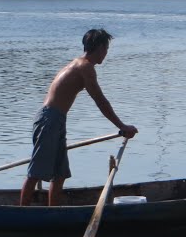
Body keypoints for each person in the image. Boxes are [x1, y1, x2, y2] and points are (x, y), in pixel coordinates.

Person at [20, 29, 138, 207]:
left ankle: (54, 213)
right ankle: (23, 213)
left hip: (56, 120)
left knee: (59, 174)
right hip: (49, 120)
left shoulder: (79, 64)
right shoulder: (85, 67)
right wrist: (122, 126)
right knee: (37, 171)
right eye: (106, 49)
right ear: (99, 48)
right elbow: (100, 101)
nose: (106, 53)